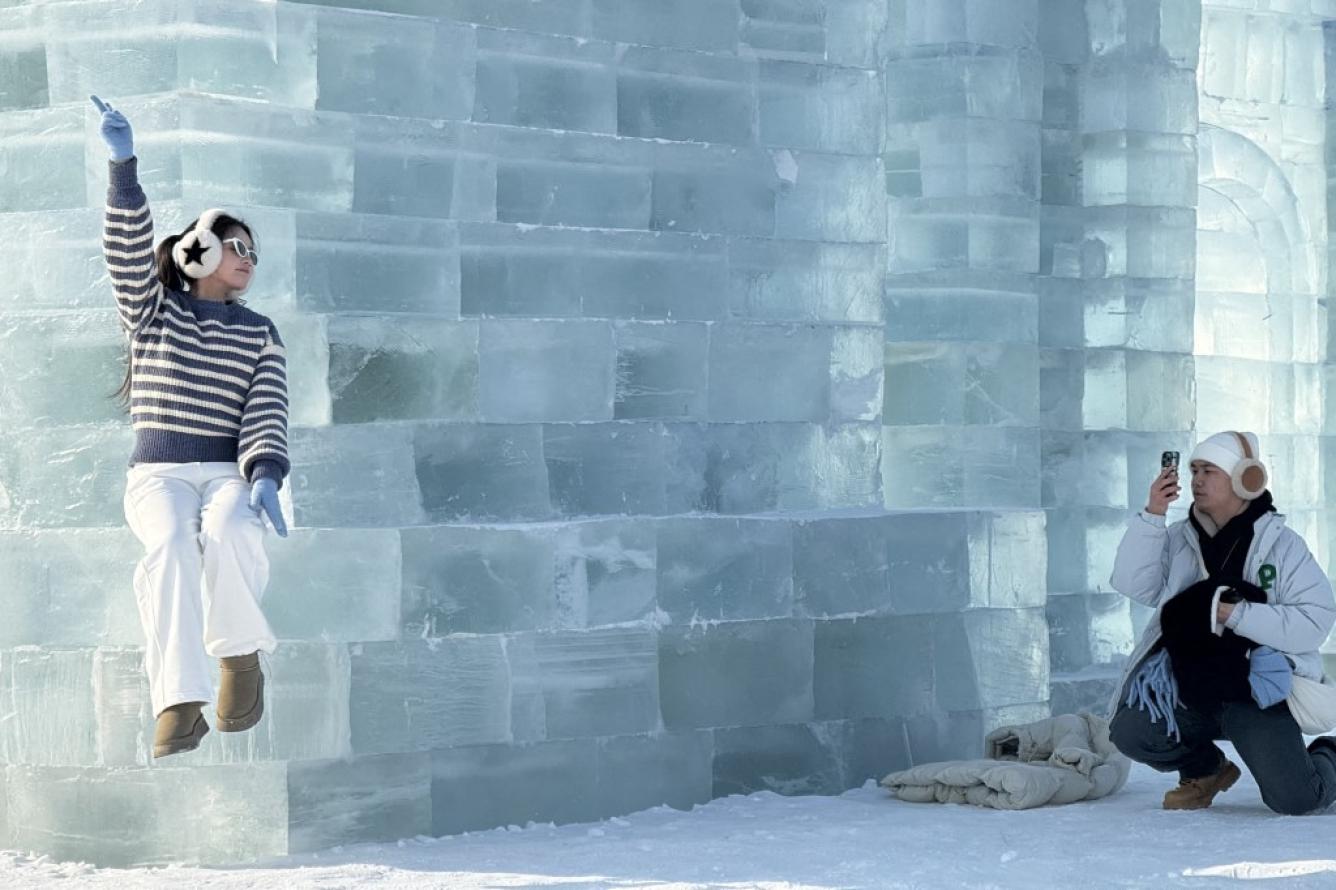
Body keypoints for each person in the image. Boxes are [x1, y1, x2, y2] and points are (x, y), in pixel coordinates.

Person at [94, 95, 290, 759]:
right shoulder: (154, 313)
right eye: (237, 247)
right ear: (200, 253)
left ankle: (239, 659)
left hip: (228, 470)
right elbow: (125, 255)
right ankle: (178, 699)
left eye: (254, 253)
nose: (248, 260)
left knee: (231, 528)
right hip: (158, 474)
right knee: (171, 549)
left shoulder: (261, 333)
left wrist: (264, 473)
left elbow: (266, 409)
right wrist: (124, 170)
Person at [1107, 430, 1336, 814]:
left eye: (1208, 471)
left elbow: (1315, 620)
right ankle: (1207, 769)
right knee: (1131, 732)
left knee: (1296, 799)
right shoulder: (1179, 538)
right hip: (1190, 687)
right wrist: (1153, 516)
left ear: (1245, 479)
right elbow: (1135, 585)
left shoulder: (1283, 546)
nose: (1196, 479)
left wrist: (1233, 613)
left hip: (1255, 693)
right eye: (1194, 469)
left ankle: (1330, 754)